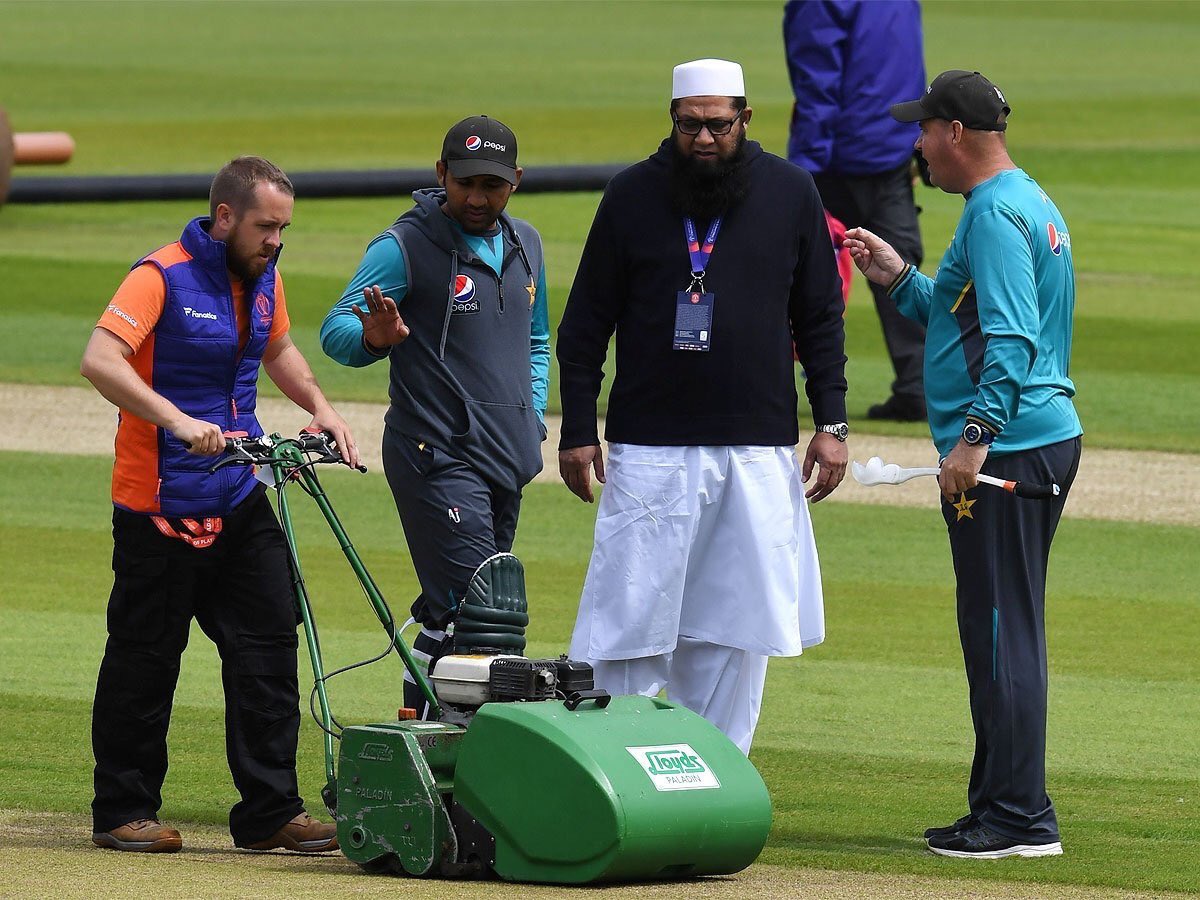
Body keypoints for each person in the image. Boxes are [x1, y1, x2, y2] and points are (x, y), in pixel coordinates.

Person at [557, 59, 849, 755]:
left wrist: (831, 423)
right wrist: (575, 429)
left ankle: (715, 775)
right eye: (690, 125)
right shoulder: (630, 195)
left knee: (737, 627)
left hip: (758, 445)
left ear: (746, 119)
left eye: (719, 124)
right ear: (673, 122)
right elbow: (585, 324)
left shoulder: (790, 192)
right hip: (651, 446)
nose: (705, 139)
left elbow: (820, 319)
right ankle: (608, 770)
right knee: (625, 618)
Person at [80, 156, 355, 854]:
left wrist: (321, 407)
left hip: (239, 492)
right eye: (266, 226)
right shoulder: (159, 276)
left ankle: (271, 812)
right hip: (158, 503)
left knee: (268, 648)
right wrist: (174, 420)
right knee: (145, 660)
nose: (276, 240)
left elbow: (280, 348)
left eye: (284, 228)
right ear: (226, 216)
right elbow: (100, 360)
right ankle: (122, 810)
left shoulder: (264, 279)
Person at [843, 70, 1083, 859]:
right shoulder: (1026, 200)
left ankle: (1019, 820)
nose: (916, 147)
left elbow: (1010, 341)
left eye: (922, 131)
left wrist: (972, 438)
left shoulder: (991, 213)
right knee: (999, 625)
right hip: (1031, 437)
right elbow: (963, 319)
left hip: (1008, 446)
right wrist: (898, 278)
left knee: (999, 629)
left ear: (953, 133)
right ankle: (1000, 808)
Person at [320, 115, 549, 713]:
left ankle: (416, 736)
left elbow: (538, 342)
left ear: (515, 181)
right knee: (485, 613)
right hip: (435, 453)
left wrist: (533, 417)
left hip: (506, 453)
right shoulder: (404, 247)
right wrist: (373, 337)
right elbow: (335, 329)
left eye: (491, 186)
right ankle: (463, 764)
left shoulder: (527, 244)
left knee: (453, 613)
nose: (477, 198)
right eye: (465, 182)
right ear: (441, 173)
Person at [784, 0, 928, 421]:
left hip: (838, 154)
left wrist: (801, 173)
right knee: (900, 267)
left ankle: (777, 382)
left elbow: (818, 80)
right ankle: (920, 385)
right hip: (893, 145)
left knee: (798, 268)